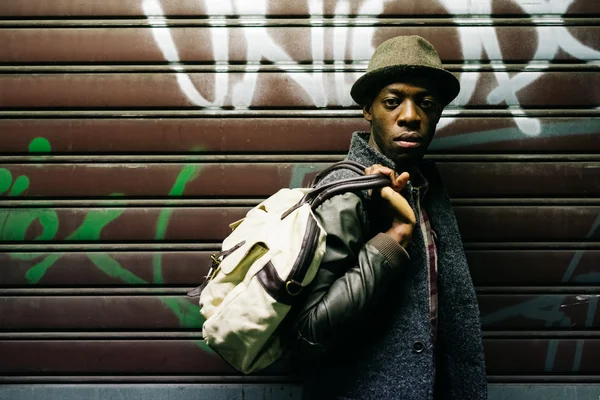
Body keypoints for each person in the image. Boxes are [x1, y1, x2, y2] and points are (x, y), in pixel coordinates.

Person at [288, 36, 487, 399]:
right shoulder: (346, 191)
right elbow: (308, 333)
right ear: (368, 110)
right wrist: (393, 239)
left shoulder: (426, 186)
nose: (411, 116)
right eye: (393, 102)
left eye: (426, 103)